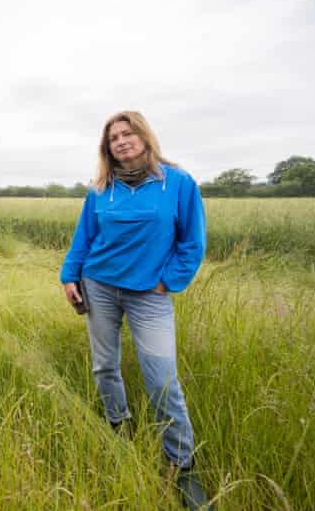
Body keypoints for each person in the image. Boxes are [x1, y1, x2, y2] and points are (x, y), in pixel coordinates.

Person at [60, 111, 210, 509]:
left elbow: (192, 243)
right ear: (107, 147)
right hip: (99, 285)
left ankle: (183, 465)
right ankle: (118, 427)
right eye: (114, 138)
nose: (122, 141)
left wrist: (166, 282)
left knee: (162, 379)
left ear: (145, 136)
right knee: (104, 365)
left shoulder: (177, 183)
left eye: (128, 134)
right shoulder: (100, 189)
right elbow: (84, 238)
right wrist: (69, 276)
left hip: (149, 294)